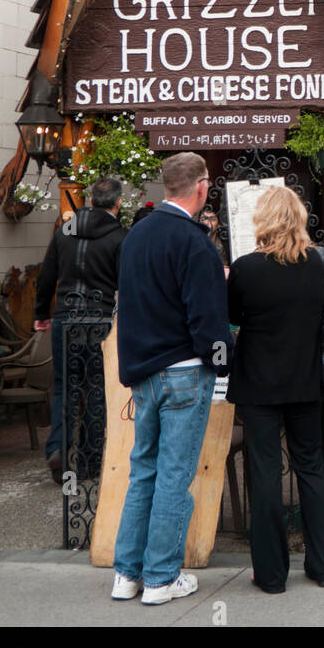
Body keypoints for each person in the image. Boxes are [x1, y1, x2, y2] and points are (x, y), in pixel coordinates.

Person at [111, 152, 234, 606]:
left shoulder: (135, 236)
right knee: (173, 476)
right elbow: (208, 320)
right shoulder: (194, 241)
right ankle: (161, 578)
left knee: (143, 470)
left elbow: (129, 307)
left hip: (143, 372)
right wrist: (223, 364)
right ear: (201, 188)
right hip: (184, 371)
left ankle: (127, 574)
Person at [227, 186, 324, 592]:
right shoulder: (318, 265)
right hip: (306, 380)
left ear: (263, 220)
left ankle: (272, 575)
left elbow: (232, 317)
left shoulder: (246, 269)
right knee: (311, 470)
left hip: (259, 384)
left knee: (265, 474)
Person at [34, 177, 126, 484]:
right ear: (118, 203)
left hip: (65, 316)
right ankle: (89, 459)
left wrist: (40, 313)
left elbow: (47, 274)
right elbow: (126, 284)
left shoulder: (65, 231)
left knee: (65, 388)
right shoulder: (119, 237)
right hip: (99, 319)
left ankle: (58, 449)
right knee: (96, 389)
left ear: (89, 201)